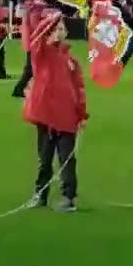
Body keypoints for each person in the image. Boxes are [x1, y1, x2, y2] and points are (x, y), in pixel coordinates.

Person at [22, 12, 87, 212]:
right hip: (46, 116)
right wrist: (51, 19)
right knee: (45, 159)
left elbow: (79, 88)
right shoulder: (41, 54)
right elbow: (35, 38)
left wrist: (82, 113)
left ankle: (68, 197)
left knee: (67, 159)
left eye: (62, 29)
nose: (59, 33)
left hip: (67, 117)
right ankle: (40, 195)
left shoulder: (72, 61)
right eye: (55, 29)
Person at [12, 0, 59, 98]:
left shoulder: (31, 8)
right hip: (36, 42)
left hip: (33, 41)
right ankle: (21, 89)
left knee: (35, 67)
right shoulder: (34, 10)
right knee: (33, 68)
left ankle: (27, 89)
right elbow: (38, 26)